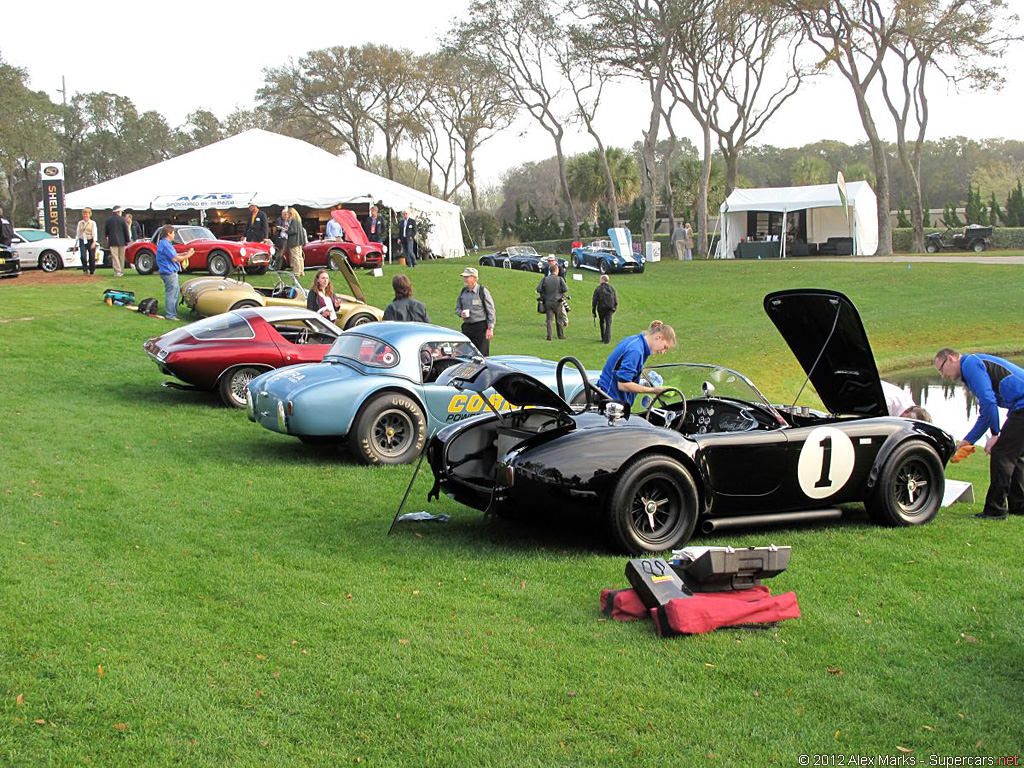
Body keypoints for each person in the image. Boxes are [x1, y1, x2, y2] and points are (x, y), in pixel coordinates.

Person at [935, 347, 1024, 520]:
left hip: (1021, 406)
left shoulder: (970, 364)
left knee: (1001, 454)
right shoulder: (971, 369)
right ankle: (1019, 505)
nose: (943, 376)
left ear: (952, 358)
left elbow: (988, 402)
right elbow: (986, 413)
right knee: (1014, 455)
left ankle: (995, 511)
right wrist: (968, 440)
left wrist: (995, 434)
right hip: (1019, 407)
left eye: (941, 369)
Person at [598, 321, 677, 407]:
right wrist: (654, 390)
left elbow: (623, 373)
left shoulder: (637, 341)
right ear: (658, 337)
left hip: (610, 399)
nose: (663, 352)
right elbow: (623, 384)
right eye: (665, 347)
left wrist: (644, 382)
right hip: (610, 402)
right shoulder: (636, 351)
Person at [156, 224, 193, 321]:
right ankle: (170, 315)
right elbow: (174, 258)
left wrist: (182, 254)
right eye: (173, 233)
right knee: (171, 294)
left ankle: (173, 313)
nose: (174, 236)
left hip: (168, 272)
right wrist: (187, 256)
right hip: (169, 272)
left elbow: (173, 255)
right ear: (168, 233)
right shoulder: (166, 244)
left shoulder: (164, 243)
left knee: (175, 293)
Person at [455, 267, 495, 355]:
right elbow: (457, 308)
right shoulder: (463, 292)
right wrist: (461, 313)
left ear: (474, 278)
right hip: (467, 328)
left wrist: (490, 328)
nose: (464, 279)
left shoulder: (482, 291)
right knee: (465, 355)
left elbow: (491, 311)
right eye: (464, 277)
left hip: (481, 328)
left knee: (481, 355)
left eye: (467, 277)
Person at [537, 258, 568, 340]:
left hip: (548, 301)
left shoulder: (545, 279)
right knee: (559, 319)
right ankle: (560, 335)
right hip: (557, 302)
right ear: (556, 270)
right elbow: (565, 289)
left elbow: (538, 289)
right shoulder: (560, 279)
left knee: (549, 320)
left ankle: (549, 336)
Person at [591, 274, 618, 344]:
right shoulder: (612, 288)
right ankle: (607, 339)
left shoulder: (598, 288)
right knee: (608, 324)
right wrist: (614, 308)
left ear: (602, 280)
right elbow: (615, 299)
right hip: (610, 308)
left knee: (602, 322)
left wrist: (593, 310)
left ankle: (603, 337)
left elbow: (594, 300)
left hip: (601, 308)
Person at [104, 205, 130, 277]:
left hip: (112, 240)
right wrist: (128, 240)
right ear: (118, 212)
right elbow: (126, 231)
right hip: (122, 241)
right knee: (121, 256)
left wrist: (106, 237)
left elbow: (106, 231)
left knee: (115, 257)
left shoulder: (108, 220)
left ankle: (117, 271)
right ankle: (121, 271)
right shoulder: (122, 220)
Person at [75, 208, 100, 275]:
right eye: (84, 213)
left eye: (87, 213)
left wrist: (94, 242)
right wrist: (76, 242)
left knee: (92, 256)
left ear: (89, 214)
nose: (85, 215)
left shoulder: (93, 223)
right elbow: (78, 233)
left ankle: (92, 270)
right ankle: (85, 269)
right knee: (83, 256)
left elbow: (94, 233)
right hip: (82, 240)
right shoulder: (80, 223)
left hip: (90, 239)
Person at [284, 207, 307, 277]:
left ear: (291, 213)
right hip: (299, 242)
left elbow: (293, 231)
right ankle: (301, 271)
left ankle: (296, 272)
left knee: (295, 257)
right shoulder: (299, 221)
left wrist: (286, 230)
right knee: (300, 257)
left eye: (288, 213)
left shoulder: (293, 221)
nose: (287, 215)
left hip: (294, 242)